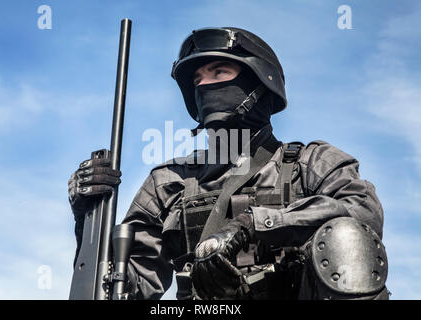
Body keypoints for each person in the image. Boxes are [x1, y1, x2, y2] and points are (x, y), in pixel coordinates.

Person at [68, 27, 390, 300]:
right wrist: (87, 220)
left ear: (257, 85)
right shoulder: (168, 182)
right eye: (197, 78)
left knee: (347, 239)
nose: (204, 85)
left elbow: (363, 212)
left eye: (219, 72)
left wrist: (254, 224)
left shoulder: (310, 162)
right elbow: (127, 287)